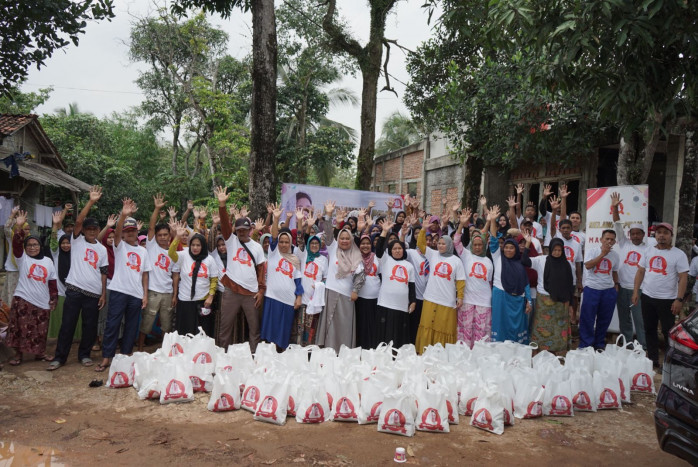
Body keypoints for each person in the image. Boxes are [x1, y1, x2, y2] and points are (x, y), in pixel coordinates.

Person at [49, 187, 108, 370]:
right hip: (74, 290)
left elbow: (104, 272)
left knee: (89, 327)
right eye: (88, 228)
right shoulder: (76, 240)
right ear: (83, 230)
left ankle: (84, 355)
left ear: (98, 230)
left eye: (94, 229)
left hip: (93, 293)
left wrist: (103, 294)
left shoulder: (102, 249)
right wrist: (91, 201)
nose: (91, 231)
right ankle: (60, 357)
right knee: (67, 325)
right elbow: (79, 220)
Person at [96, 198, 151, 372]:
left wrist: (145, 295)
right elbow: (117, 232)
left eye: (132, 231)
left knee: (131, 326)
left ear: (136, 232)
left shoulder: (143, 251)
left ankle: (127, 356)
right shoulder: (119, 247)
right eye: (127, 231)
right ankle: (107, 357)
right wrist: (123, 215)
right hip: (119, 291)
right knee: (112, 324)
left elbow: (145, 274)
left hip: (135, 294)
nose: (130, 234)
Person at [214, 186, 266, 352]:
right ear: (235, 231)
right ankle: (222, 356)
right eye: (239, 230)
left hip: (251, 294)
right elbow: (224, 224)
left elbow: (261, 271)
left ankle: (253, 357)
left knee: (254, 328)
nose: (242, 233)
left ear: (251, 230)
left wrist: (261, 291)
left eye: (245, 230)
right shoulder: (231, 240)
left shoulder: (257, 247)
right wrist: (222, 205)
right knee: (225, 327)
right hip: (231, 291)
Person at [632, 222, 689, 368]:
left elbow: (683, 278)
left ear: (671, 236)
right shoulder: (648, 251)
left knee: (668, 331)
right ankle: (653, 361)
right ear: (655, 235)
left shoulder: (678, 254)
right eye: (659, 233)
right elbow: (640, 271)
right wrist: (636, 291)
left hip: (668, 300)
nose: (662, 235)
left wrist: (679, 299)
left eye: (665, 233)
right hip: (647, 297)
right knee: (649, 329)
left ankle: (670, 362)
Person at [5, 210, 58, 365]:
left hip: (42, 301)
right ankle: (18, 356)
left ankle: (39, 353)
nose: (32, 248)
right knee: (19, 329)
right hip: (23, 298)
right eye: (29, 245)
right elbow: (16, 244)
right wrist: (19, 227)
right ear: (25, 247)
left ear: (40, 246)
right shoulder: (23, 259)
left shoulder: (48, 261)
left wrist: (53, 298)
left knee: (40, 330)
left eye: (35, 245)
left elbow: (52, 282)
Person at [316, 201, 366, 351]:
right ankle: (328, 351)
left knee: (344, 325)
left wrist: (356, 291)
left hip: (347, 296)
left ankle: (342, 353)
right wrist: (329, 214)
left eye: (347, 239)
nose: (344, 241)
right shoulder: (333, 249)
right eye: (342, 238)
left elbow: (360, 275)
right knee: (330, 324)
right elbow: (329, 233)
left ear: (351, 240)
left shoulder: (356, 255)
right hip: (331, 292)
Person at [415, 214, 465, 352]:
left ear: (449, 245)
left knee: (444, 329)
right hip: (430, 297)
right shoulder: (432, 254)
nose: (441, 246)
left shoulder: (456, 261)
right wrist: (424, 230)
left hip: (447, 300)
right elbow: (420, 244)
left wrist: (460, 296)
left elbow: (460, 281)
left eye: (444, 244)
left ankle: (441, 356)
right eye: (439, 243)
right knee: (427, 326)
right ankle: (423, 352)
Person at [260, 205, 303, 350]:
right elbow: (272, 236)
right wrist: (276, 218)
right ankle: (267, 361)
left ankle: (281, 361)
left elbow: (298, 282)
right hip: (272, 298)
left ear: (291, 243)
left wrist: (298, 297)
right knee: (269, 334)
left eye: (287, 242)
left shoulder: (295, 259)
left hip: (288, 301)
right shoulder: (273, 253)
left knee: (283, 334)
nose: (284, 244)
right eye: (281, 241)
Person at [138, 194, 177, 350]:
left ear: (169, 237)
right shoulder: (151, 246)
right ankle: (140, 348)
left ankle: (164, 350)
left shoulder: (173, 254)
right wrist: (156, 208)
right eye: (159, 235)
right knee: (146, 322)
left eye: (165, 235)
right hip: (153, 291)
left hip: (168, 293)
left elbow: (175, 275)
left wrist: (175, 295)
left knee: (166, 325)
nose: (161, 237)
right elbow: (152, 226)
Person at [488, 205, 532, 343]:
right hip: (500, 296)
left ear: (516, 249)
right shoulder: (497, 257)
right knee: (500, 328)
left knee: (516, 330)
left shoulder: (519, 264)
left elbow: (525, 283)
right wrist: (493, 220)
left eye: (511, 247)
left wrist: (529, 301)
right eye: (506, 247)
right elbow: (494, 240)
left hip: (517, 301)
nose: (508, 250)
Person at [611, 192, 647, 348]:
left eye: (638, 233)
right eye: (633, 233)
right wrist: (615, 207)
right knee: (624, 319)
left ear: (643, 235)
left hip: (639, 290)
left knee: (640, 320)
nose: (635, 236)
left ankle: (643, 346)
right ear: (629, 235)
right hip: (622, 289)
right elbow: (617, 223)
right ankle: (628, 345)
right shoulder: (625, 243)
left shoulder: (648, 249)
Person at [169, 223, 218, 336]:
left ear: (203, 246)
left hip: (203, 301)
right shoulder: (183, 256)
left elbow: (214, 279)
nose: (195, 248)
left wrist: (211, 296)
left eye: (198, 245)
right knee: (184, 331)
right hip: (185, 300)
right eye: (193, 245)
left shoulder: (209, 259)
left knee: (202, 332)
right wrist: (177, 237)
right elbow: (171, 253)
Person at [454, 209, 493, 348]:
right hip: (467, 300)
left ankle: (480, 357)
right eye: (475, 245)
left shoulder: (489, 261)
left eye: (480, 245)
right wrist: (461, 224)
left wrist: (489, 221)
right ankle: (464, 356)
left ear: (484, 245)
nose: (477, 247)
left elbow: (489, 282)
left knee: (482, 332)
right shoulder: (466, 255)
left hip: (484, 301)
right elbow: (456, 242)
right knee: (465, 330)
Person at [529, 237, 574, 353]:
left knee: (558, 327)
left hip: (561, 303)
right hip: (544, 302)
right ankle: (541, 350)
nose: (557, 253)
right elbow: (525, 261)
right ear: (550, 249)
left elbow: (570, 285)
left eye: (559, 250)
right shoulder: (542, 260)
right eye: (555, 250)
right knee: (543, 326)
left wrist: (570, 305)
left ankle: (558, 350)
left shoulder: (567, 265)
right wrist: (528, 243)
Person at [375, 220, 416, 348]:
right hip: (385, 304)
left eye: (400, 248)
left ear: (403, 250)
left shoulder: (409, 266)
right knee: (383, 335)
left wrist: (413, 301)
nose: (397, 251)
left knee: (398, 336)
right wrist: (384, 231)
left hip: (401, 306)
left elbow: (411, 286)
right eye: (394, 249)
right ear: (390, 250)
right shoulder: (385, 260)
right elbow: (378, 250)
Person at [579, 229, 619, 349]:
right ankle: (586, 344)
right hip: (592, 289)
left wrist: (616, 285)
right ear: (601, 239)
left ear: (614, 242)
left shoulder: (615, 255)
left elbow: (615, 271)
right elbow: (588, 265)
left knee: (604, 319)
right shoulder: (592, 251)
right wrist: (603, 254)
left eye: (612, 239)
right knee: (587, 318)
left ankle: (599, 344)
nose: (609, 241)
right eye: (607, 238)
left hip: (608, 290)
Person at [293, 210, 327, 346]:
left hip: (315, 300)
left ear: (320, 245)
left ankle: (309, 355)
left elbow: (325, 278)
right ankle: (298, 354)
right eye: (312, 244)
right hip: (303, 299)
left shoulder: (323, 259)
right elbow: (301, 240)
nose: (314, 245)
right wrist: (304, 225)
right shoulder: (303, 255)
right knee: (300, 329)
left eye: (316, 244)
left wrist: (320, 286)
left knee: (312, 330)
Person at [47, 207, 81, 343]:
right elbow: (54, 240)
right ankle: (58, 337)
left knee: (75, 316)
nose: (66, 245)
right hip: (61, 290)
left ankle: (75, 337)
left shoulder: (77, 254)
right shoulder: (56, 254)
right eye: (64, 243)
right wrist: (55, 226)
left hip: (74, 289)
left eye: (68, 243)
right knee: (60, 316)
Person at [355, 220, 381, 349]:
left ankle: (371, 349)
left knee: (372, 326)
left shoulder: (376, 257)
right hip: (359, 298)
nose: (365, 246)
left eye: (368, 243)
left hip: (374, 298)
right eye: (363, 243)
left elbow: (380, 276)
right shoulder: (355, 258)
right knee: (360, 325)